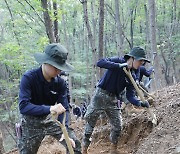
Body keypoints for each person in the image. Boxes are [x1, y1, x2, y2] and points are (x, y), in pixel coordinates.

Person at [82, 47, 150, 154]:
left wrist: (139, 103)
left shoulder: (133, 74)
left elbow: (130, 95)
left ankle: (113, 149)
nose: (141, 63)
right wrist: (118, 66)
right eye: (140, 60)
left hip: (113, 99)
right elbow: (100, 62)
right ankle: (84, 148)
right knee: (91, 122)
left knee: (118, 126)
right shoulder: (118, 61)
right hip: (100, 95)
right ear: (132, 58)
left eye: (143, 61)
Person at [18, 43, 81, 154]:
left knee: (74, 144)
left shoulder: (60, 83)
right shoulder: (29, 78)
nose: (59, 71)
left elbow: (64, 108)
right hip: (31, 122)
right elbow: (23, 106)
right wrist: (50, 108)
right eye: (55, 67)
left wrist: (64, 130)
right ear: (45, 62)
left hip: (51, 120)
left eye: (60, 68)